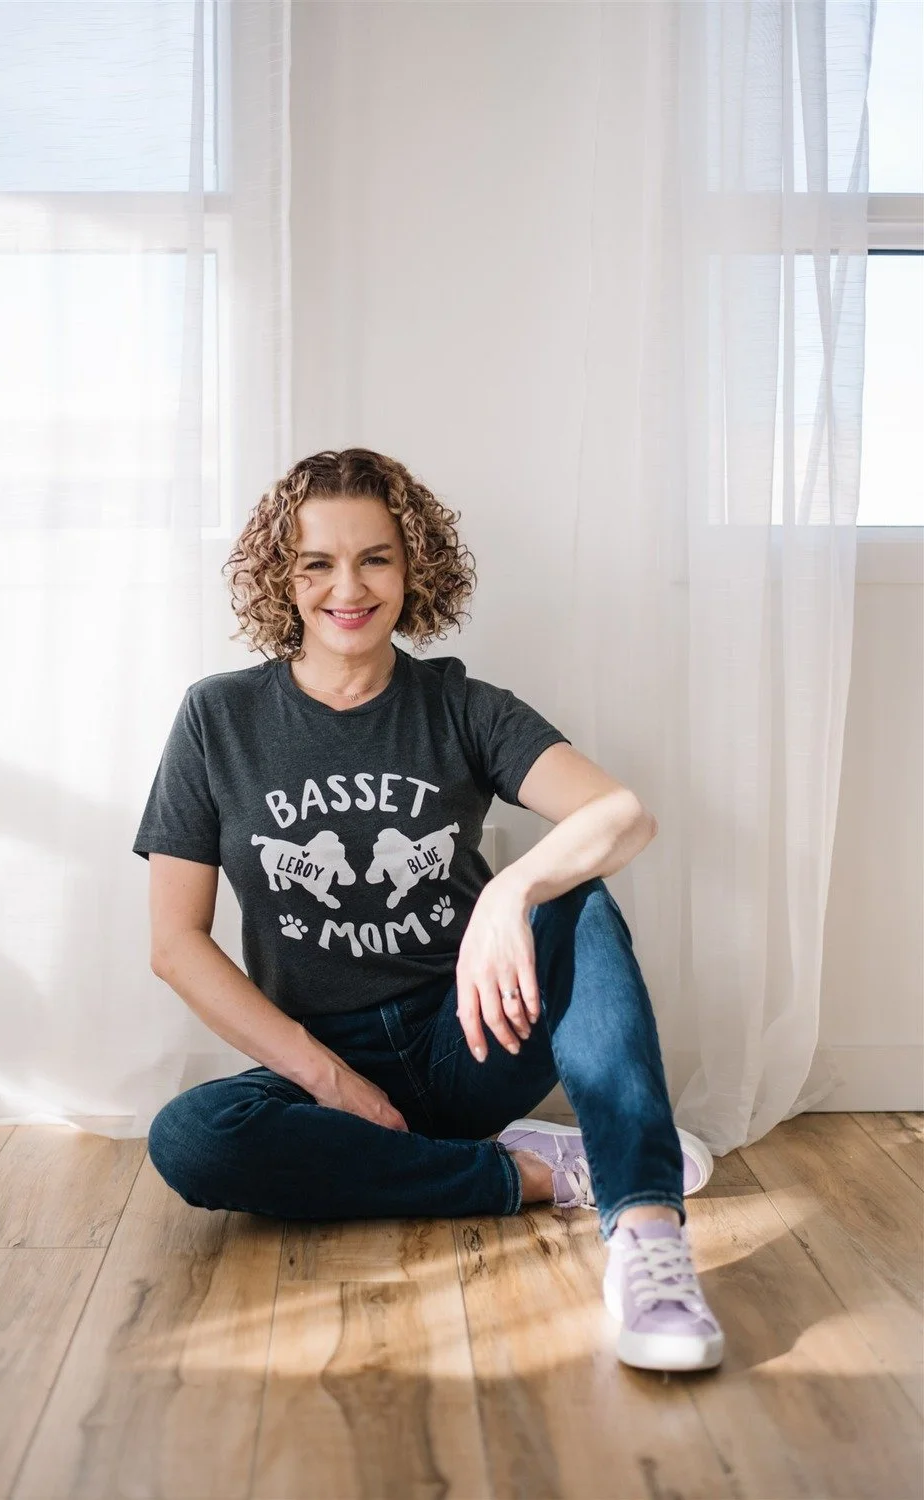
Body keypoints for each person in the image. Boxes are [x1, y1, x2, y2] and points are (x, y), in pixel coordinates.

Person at [134, 448, 725, 1374]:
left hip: (469, 1033)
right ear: (279, 579)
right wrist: (329, 1082)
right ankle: (527, 1175)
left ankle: (648, 1239)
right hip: (317, 1056)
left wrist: (511, 888)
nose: (348, 588)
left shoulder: (461, 707)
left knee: (581, 903)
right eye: (316, 562)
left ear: (414, 568)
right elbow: (176, 944)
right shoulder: (219, 719)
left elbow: (622, 814)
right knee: (193, 1140)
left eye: (375, 558)